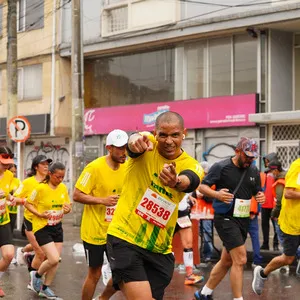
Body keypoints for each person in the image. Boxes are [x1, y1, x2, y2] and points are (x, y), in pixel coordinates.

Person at [107, 111, 203, 300]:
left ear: (184, 133)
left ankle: (103, 297)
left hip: (159, 249)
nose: (168, 141)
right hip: (126, 238)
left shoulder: (191, 164)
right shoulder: (147, 145)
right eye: (163, 135)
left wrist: (176, 181)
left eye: (175, 135)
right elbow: (135, 142)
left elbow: (190, 179)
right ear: (155, 133)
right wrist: (135, 140)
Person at [194, 137, 265, 300]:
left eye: (253, 157)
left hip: (243, 219)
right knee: (240, 259)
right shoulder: (221, 167)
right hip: (225, 218)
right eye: (247, 156)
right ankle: (238, 298)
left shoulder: (253, 170)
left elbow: (257, 191)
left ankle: (204, 293)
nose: (250, 160)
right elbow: (202, 186)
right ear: (237, 151)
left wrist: (260, 196)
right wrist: (217, 194)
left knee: (226, 260)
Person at [73, 129, 128, 300]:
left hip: (118, 231)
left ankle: (103, 298)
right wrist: (102, 200)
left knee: (123, 273)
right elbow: (76, 194)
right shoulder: (94, 168)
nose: (123, 152)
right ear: (109, 148)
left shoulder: (127, 167)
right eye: (119, 148)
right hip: (94, 232)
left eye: (126, 147)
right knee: (94, 274)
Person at [252, 154, 300, 295]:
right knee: (288, 258)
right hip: (292, 223)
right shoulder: (297, 167)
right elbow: (289, 193)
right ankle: (262, 273)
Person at [26, 162, 72, 299]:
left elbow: (67, 204)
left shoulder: (63, 187)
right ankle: (37, 275)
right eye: (58, 177)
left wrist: (68, 209)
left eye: (63, 177)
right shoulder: (40, 188)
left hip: (57, 226)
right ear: (50, 174)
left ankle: (44, 288)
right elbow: (27, 203)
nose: (60, 180)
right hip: (42, 227)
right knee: (53, 258)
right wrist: (39, 214)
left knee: (55, 262)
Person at [14, 155, 52, 277]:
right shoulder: (27, 182)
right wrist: (27, 200)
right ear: (36, 167)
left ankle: (24, 251)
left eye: (48, 164)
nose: (46, 166)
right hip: (30, 220)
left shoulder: (50, 180)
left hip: (46, 221)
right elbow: (14, 198)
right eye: (43, 164)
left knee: (45, 251)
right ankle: (34, 281)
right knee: (40, 252)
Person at [174, 193, 204, 285]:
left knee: (188, 244)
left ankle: (189, 275)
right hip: (168, 212)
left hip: (182, 213)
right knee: (161, 244)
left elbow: (184, 188)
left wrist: (188, 196)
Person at [0, 146, 17, 297]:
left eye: (8, 163)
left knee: (9, 255)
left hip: (3, 220)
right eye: (3, 162)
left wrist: (13, 199)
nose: (7, 166)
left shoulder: (9, 176)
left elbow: (6, 194)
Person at [260, 153, 279, 251]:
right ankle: (265, 243)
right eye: (265, 161)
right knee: (264, 225)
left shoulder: (277, 173)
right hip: (265, 204)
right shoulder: (264, 174)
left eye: (267, 161)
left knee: (276, 226)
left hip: (274, 204)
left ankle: (276, 244)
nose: (266, 163)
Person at [8, 164, 21, 233]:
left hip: (13, 210)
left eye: (14, 172)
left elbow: (20, 194)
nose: (13, 174)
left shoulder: (17, 181)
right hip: (4, 210)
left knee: (10, 231)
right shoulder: (4, 179)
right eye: (11, 171)